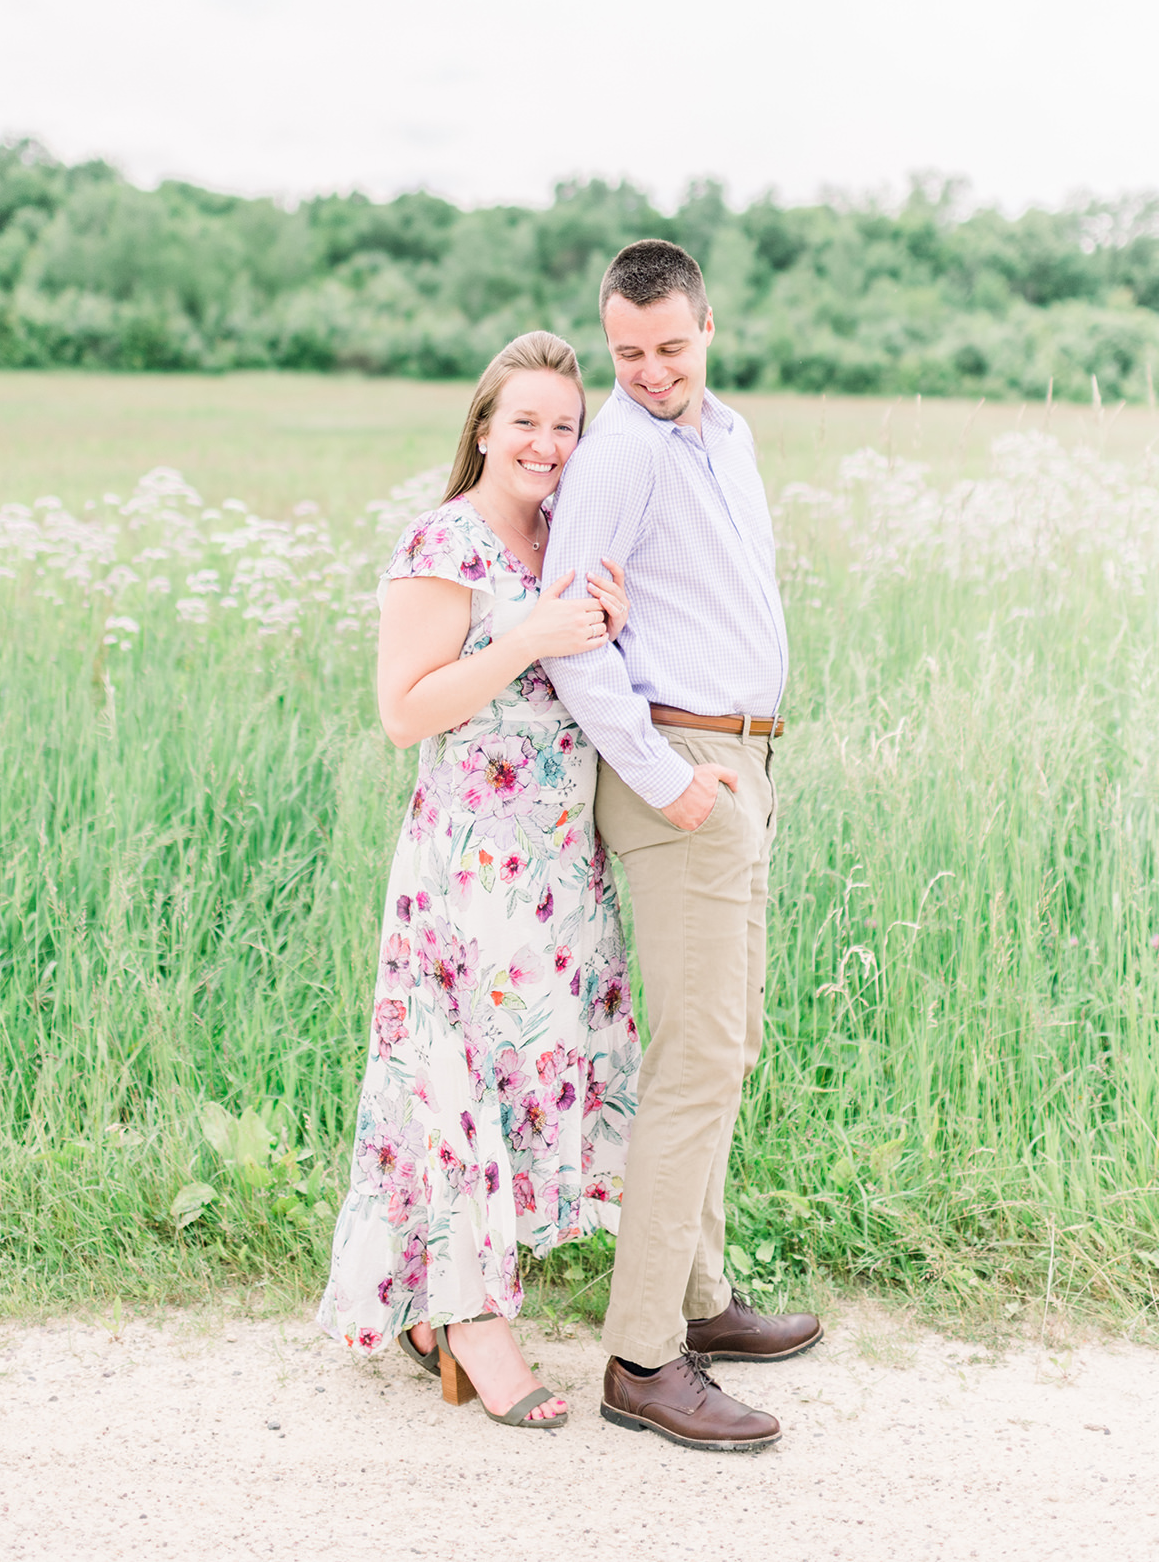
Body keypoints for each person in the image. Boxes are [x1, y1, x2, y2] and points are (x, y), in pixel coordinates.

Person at [318, 330, 640, 1432]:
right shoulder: (443, 542)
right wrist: (530, 637)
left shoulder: (567, 541)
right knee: (458, 1085)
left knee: (526, 1077)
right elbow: (404, 711)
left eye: (564, 425)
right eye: (526, 423)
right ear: (484, 430)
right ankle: (471, 1324)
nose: (546, 443)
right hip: (470, 866)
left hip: (559, 867)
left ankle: (443, 1307)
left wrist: (604, 626)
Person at [541, 239, 821, 1454]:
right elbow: (570, 637)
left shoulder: (732, 435)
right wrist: (668, 780)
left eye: (669, 347)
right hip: (676, 774)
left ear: (707, 326)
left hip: (741, 761)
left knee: (724, 1044)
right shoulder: (614, 459)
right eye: (626, 354)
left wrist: (742, 769)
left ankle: (700, 1302)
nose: (650, 373)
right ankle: (643, 1355)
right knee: (697, 1058)